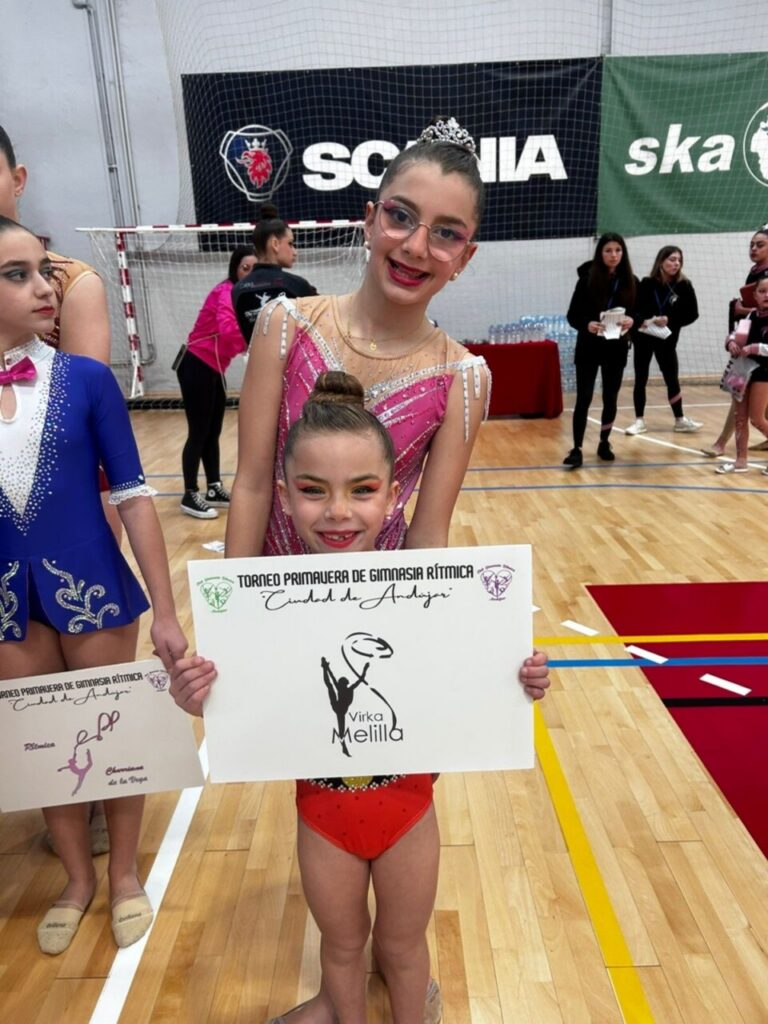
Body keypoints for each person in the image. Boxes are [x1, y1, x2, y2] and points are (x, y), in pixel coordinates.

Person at [170, 371, 551, 1024]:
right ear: (285, 499)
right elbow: (230, 705)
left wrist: (517, 679)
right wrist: (193, 693)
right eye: (314, 492)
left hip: (408, 810)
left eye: (362, 490)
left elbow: (472, 677)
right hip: (323, 815)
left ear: (393, 494)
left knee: (403, 948)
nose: (338, 512)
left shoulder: (432, 588)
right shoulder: (263, 607)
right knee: (342, 948)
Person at [0, 217, 187, 954]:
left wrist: (166, 612)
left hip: (93, 588)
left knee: (112, 740)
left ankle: (125, 877)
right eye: (18, 274)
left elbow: (135, 495)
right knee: (45, 744)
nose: (46, 287)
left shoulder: (85, 379)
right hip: (10, 604)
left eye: (44, 269)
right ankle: (77, 879)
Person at [226, 115, 490, 562]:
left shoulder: (463, 378)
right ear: (369, 221)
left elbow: (428, 534)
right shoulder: (285, 326)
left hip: (380, 608)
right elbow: (252, 486)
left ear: (465, 256)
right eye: (401, 216)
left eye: (446, 233)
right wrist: (234, 617)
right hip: (274, 605)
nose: (416, 247)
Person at [1, 124, 117, 855]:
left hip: (63, 512)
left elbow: (78, 417)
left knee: (86, 694)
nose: (35, 286)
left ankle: (96, 797)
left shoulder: (70, 281)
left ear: (19, 177)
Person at [176, 245, 257, 519]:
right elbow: (228, 327)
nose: (249, 274)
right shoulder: (226, 292)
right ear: (235, 268)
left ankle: (213, 487)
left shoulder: (245, 296)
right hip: (196, 364)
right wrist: (254, 345)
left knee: (213, 431)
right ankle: (189, 493)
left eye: (254, 269)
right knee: (198, 432)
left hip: (214, 368)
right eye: (245, 268)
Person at [563, 233, 638, 468]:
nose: (613, 255)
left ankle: (604, 442)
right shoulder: (586, 279)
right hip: (589, 346)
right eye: (608, 250)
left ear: (623, 253)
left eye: (618, 250)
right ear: (600, 253)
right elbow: (573, 315)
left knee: (610, 397)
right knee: (584, 397)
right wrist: (588, 324)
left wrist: (631, 321)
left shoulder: (631, 281)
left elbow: (639, 312)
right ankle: (577, 448)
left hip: (616, 347)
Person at [703, 227, 768, 458]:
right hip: (751, 347)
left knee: (745, 399)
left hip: (762, 351)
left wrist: (743, 308)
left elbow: (760, 308)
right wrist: (734, 336)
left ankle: (721, 443)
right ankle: (733, 452)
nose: (753, 248)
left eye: (759, 244)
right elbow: (755, 311)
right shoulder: (755, 272)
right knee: (743, 396)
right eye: (751, 244)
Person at [625, 246, 702, 435]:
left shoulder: (684, 286)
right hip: (644, 338)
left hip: (666, 340)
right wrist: (647, 319)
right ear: (661, 262)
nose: (676, 263)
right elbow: (635, 310)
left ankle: (680, 419)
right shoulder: (646, 283)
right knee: (640, 379)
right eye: (671, 259)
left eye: (679, 260)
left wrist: (670, 319)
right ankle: (639, 421)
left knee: (672, 379)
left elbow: (692, 314)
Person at [231, 203, 317, 343]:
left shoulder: (237, 290)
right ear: (275, 244)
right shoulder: (296, 285)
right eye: (290, 244)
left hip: (256, 364)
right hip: (291, 364)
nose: (295, 252)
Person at [714, 276, 768, 474]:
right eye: (762, 291)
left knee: (757, 419)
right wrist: (731, 343)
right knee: (740, 418)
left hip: (764, 373)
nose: (766, 295)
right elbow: (734, 335)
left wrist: (755, 348)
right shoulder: (751, 316)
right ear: (754, 296)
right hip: (742, 370)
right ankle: (740, 461)